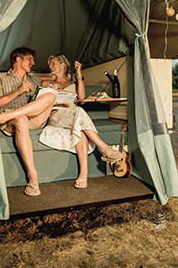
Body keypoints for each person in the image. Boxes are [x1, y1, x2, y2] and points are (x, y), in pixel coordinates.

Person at [39, 54, 124, 189]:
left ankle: (83, 175)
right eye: (50, 64)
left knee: (81, 130)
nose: (50, 66)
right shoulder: (47, 84)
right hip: (56, 115)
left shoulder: (73, 84)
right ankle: (104, 147)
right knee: (79, 111)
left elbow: (82, 97)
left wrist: (79, 73)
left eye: (53, 63)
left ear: (62, 65)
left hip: (73, 117)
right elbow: (40, 103)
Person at [0, 47, 56, 197]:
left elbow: (41, 102)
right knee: (21, 119)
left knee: (50, 96)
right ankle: (33, 177)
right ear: (18, 60)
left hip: (31, 117)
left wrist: (47, 91)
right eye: (29, 59)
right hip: (12, 120)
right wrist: (18, 91)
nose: (33, 62)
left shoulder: (34, 80)